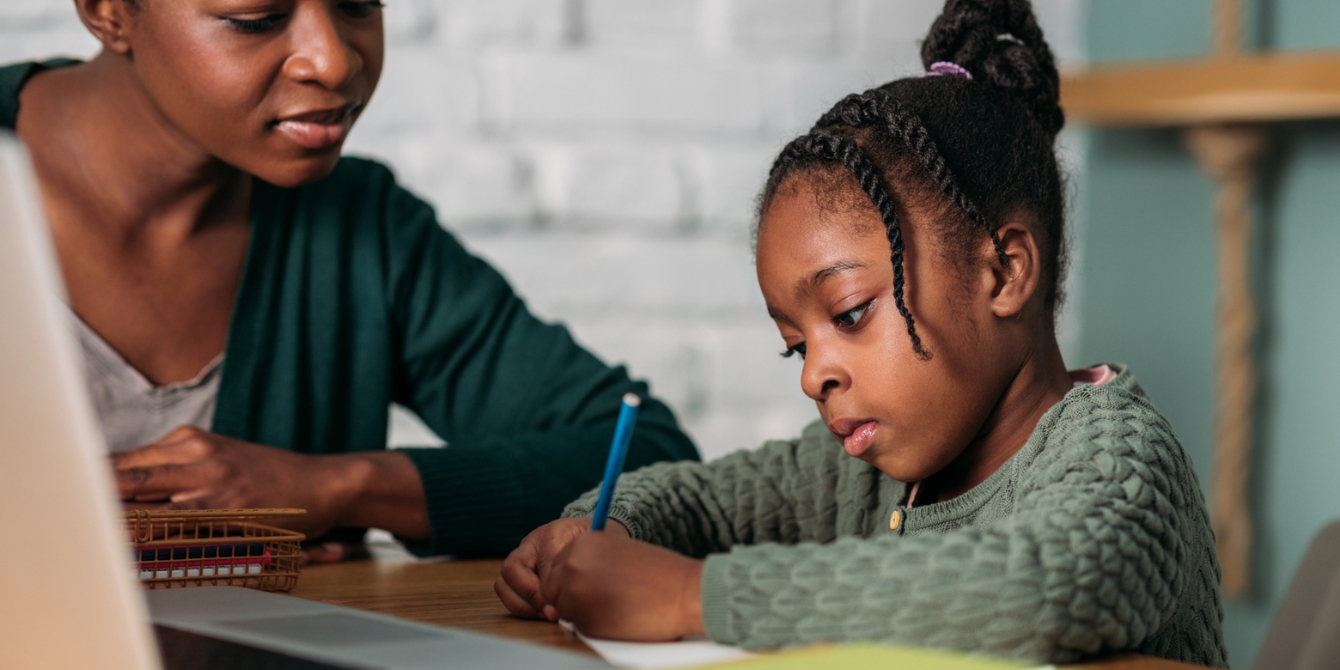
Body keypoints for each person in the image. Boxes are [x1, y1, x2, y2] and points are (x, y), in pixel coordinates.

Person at [494, 0, 1228, 665]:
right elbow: (701, 499)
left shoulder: (1124, 463)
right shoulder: (860, 472)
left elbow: (1034, 589)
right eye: (797, 344)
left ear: (1003, 272)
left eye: (848, 315)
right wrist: (598, 534)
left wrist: (690, 596)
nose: (814, 375)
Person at [0, 0, 697, 558]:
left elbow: (645, 455)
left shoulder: (364, 228)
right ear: (107, 11)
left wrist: (338, 485)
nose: (335, 61)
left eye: (361, 4)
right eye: (257, 19)